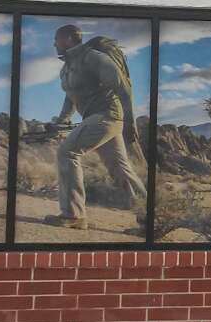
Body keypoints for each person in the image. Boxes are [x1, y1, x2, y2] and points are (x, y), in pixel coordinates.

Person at [44, 24, 145, 229]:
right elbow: (71, 96)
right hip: (95, 118)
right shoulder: (68, 67)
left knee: (67, 152)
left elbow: (122, 87)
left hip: (108, 115)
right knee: (121, 170)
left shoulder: (92, 58)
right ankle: (151, 220)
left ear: (69, 39)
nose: (54, 44)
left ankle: (73, 215)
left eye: (57, 39)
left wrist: (129, 121)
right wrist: (61, 121)